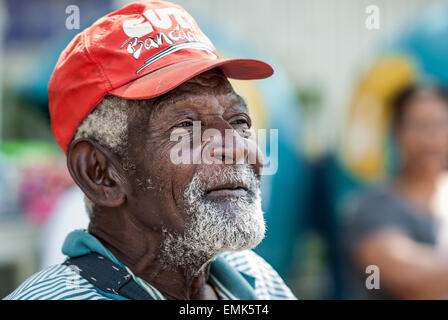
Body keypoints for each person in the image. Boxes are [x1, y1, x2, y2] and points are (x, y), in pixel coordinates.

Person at [3, 1, 296, 300]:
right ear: (99, 172)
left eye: (239, 122)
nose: (236, 148)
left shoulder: (257, 280)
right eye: (186, 126)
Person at [343, 83, 448, 299]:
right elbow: (411, 281)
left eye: (439, 124)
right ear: (397, 132)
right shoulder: (371, 207)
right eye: (419, 125)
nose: (431, 137)